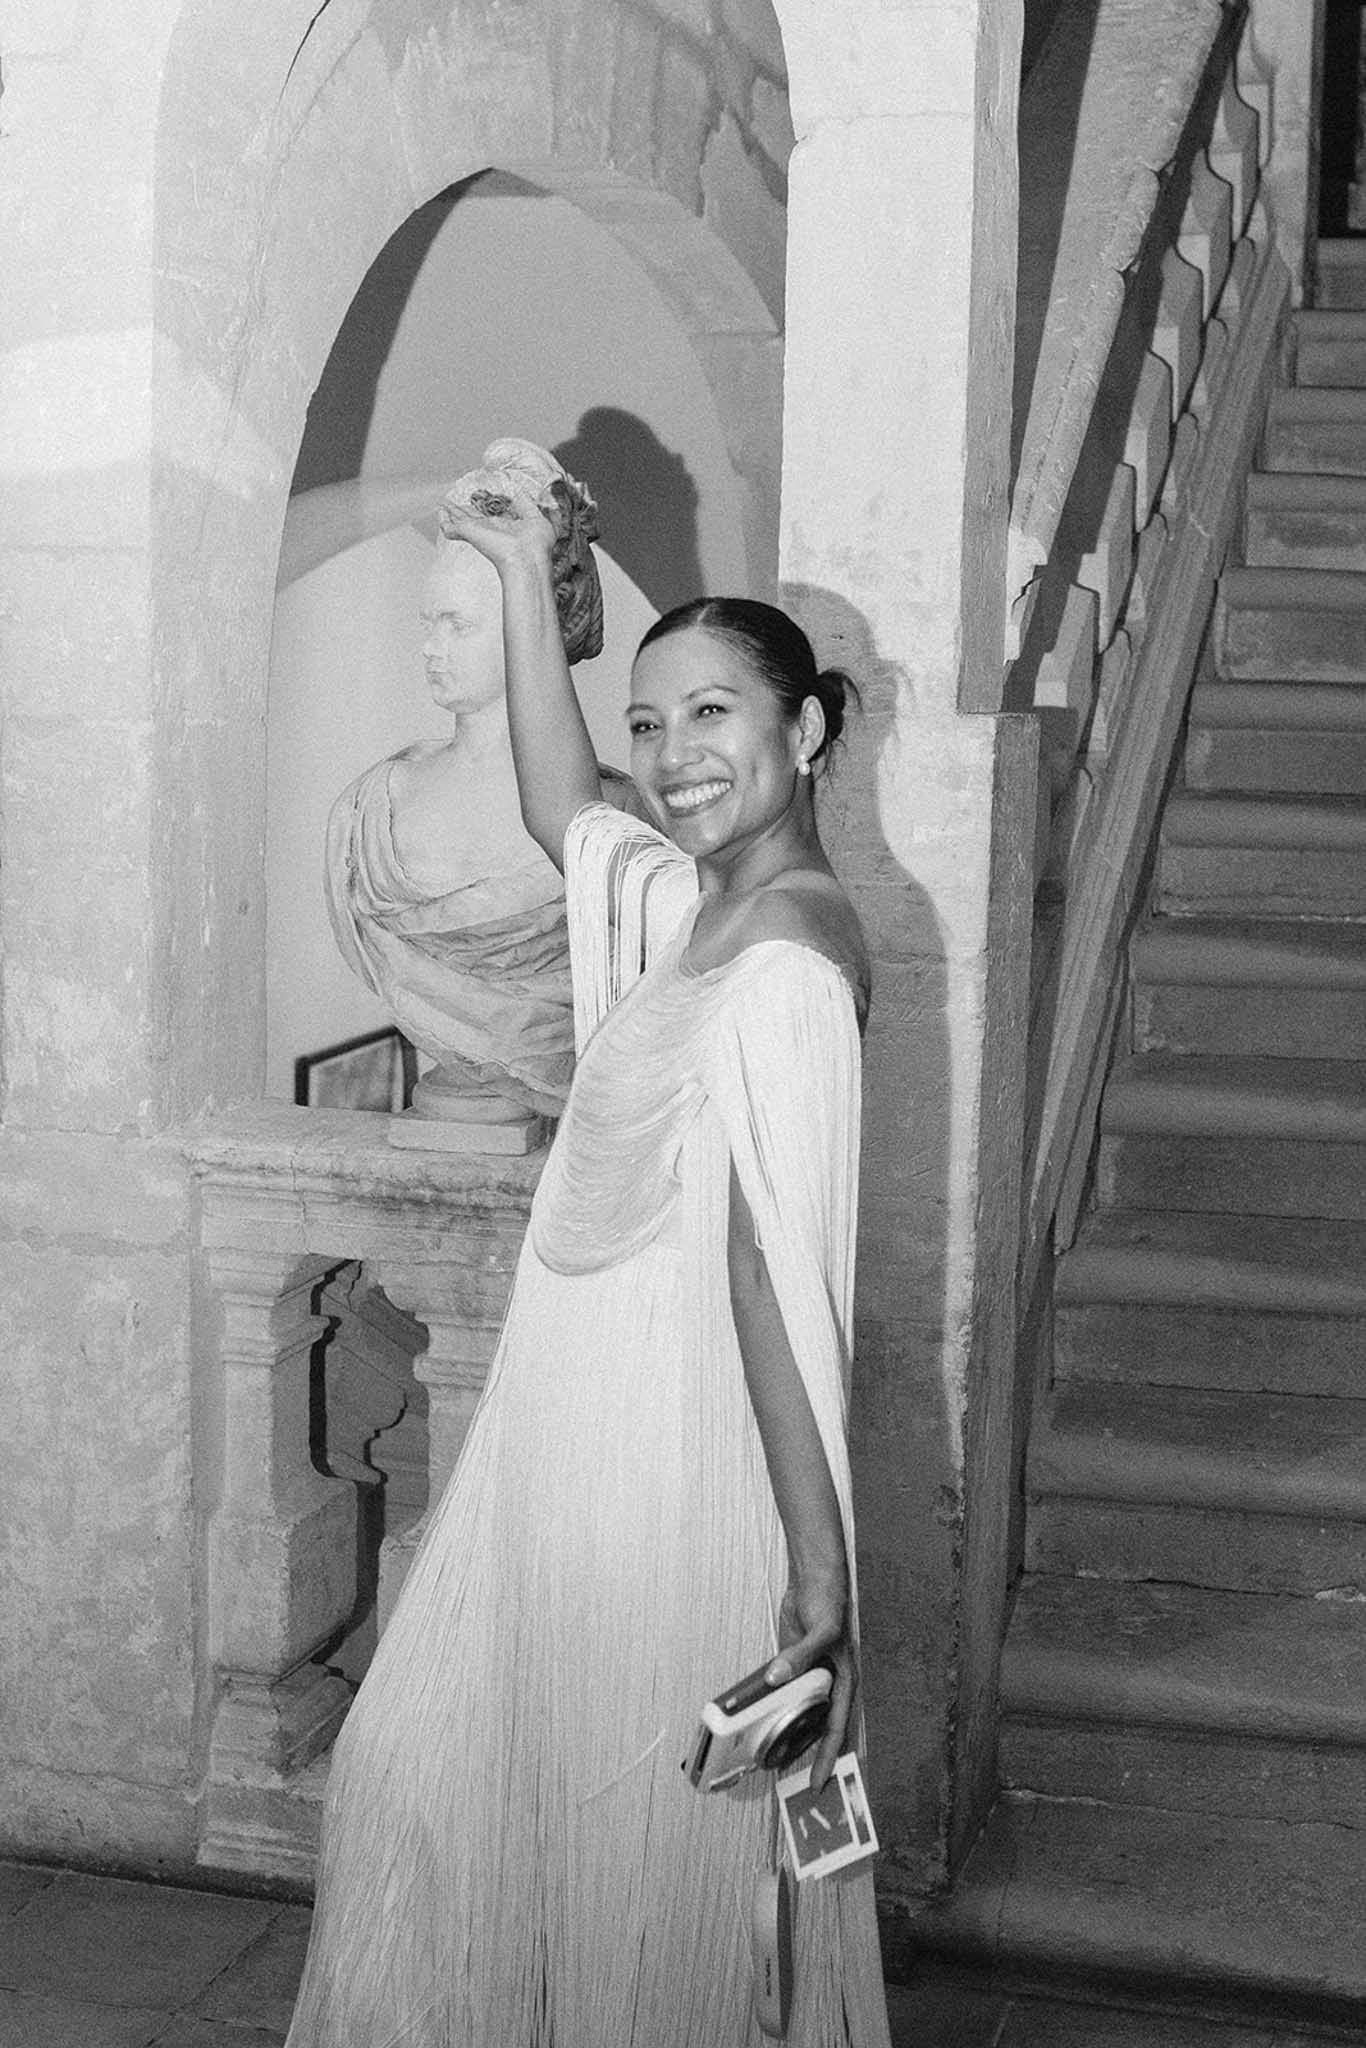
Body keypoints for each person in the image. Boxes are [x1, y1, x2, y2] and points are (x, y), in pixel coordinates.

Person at [284, 467, 891, 2047]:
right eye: (650, 723)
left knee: (636, 1860)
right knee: (437, 1778)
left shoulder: (790, 962)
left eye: (712, 715)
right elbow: (570, 818)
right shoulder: (689, 905)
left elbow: (777, 1282)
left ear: (806, 731)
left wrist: (817, 1578)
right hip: (567, 1437)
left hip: (679, 1463)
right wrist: (508, 561)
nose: (672, 757)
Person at [322, 439, 603, 1126]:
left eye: (458, 624)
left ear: (528, 625)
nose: (430, 645)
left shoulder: (609, 819)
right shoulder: (369, 812)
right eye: (428, 622)